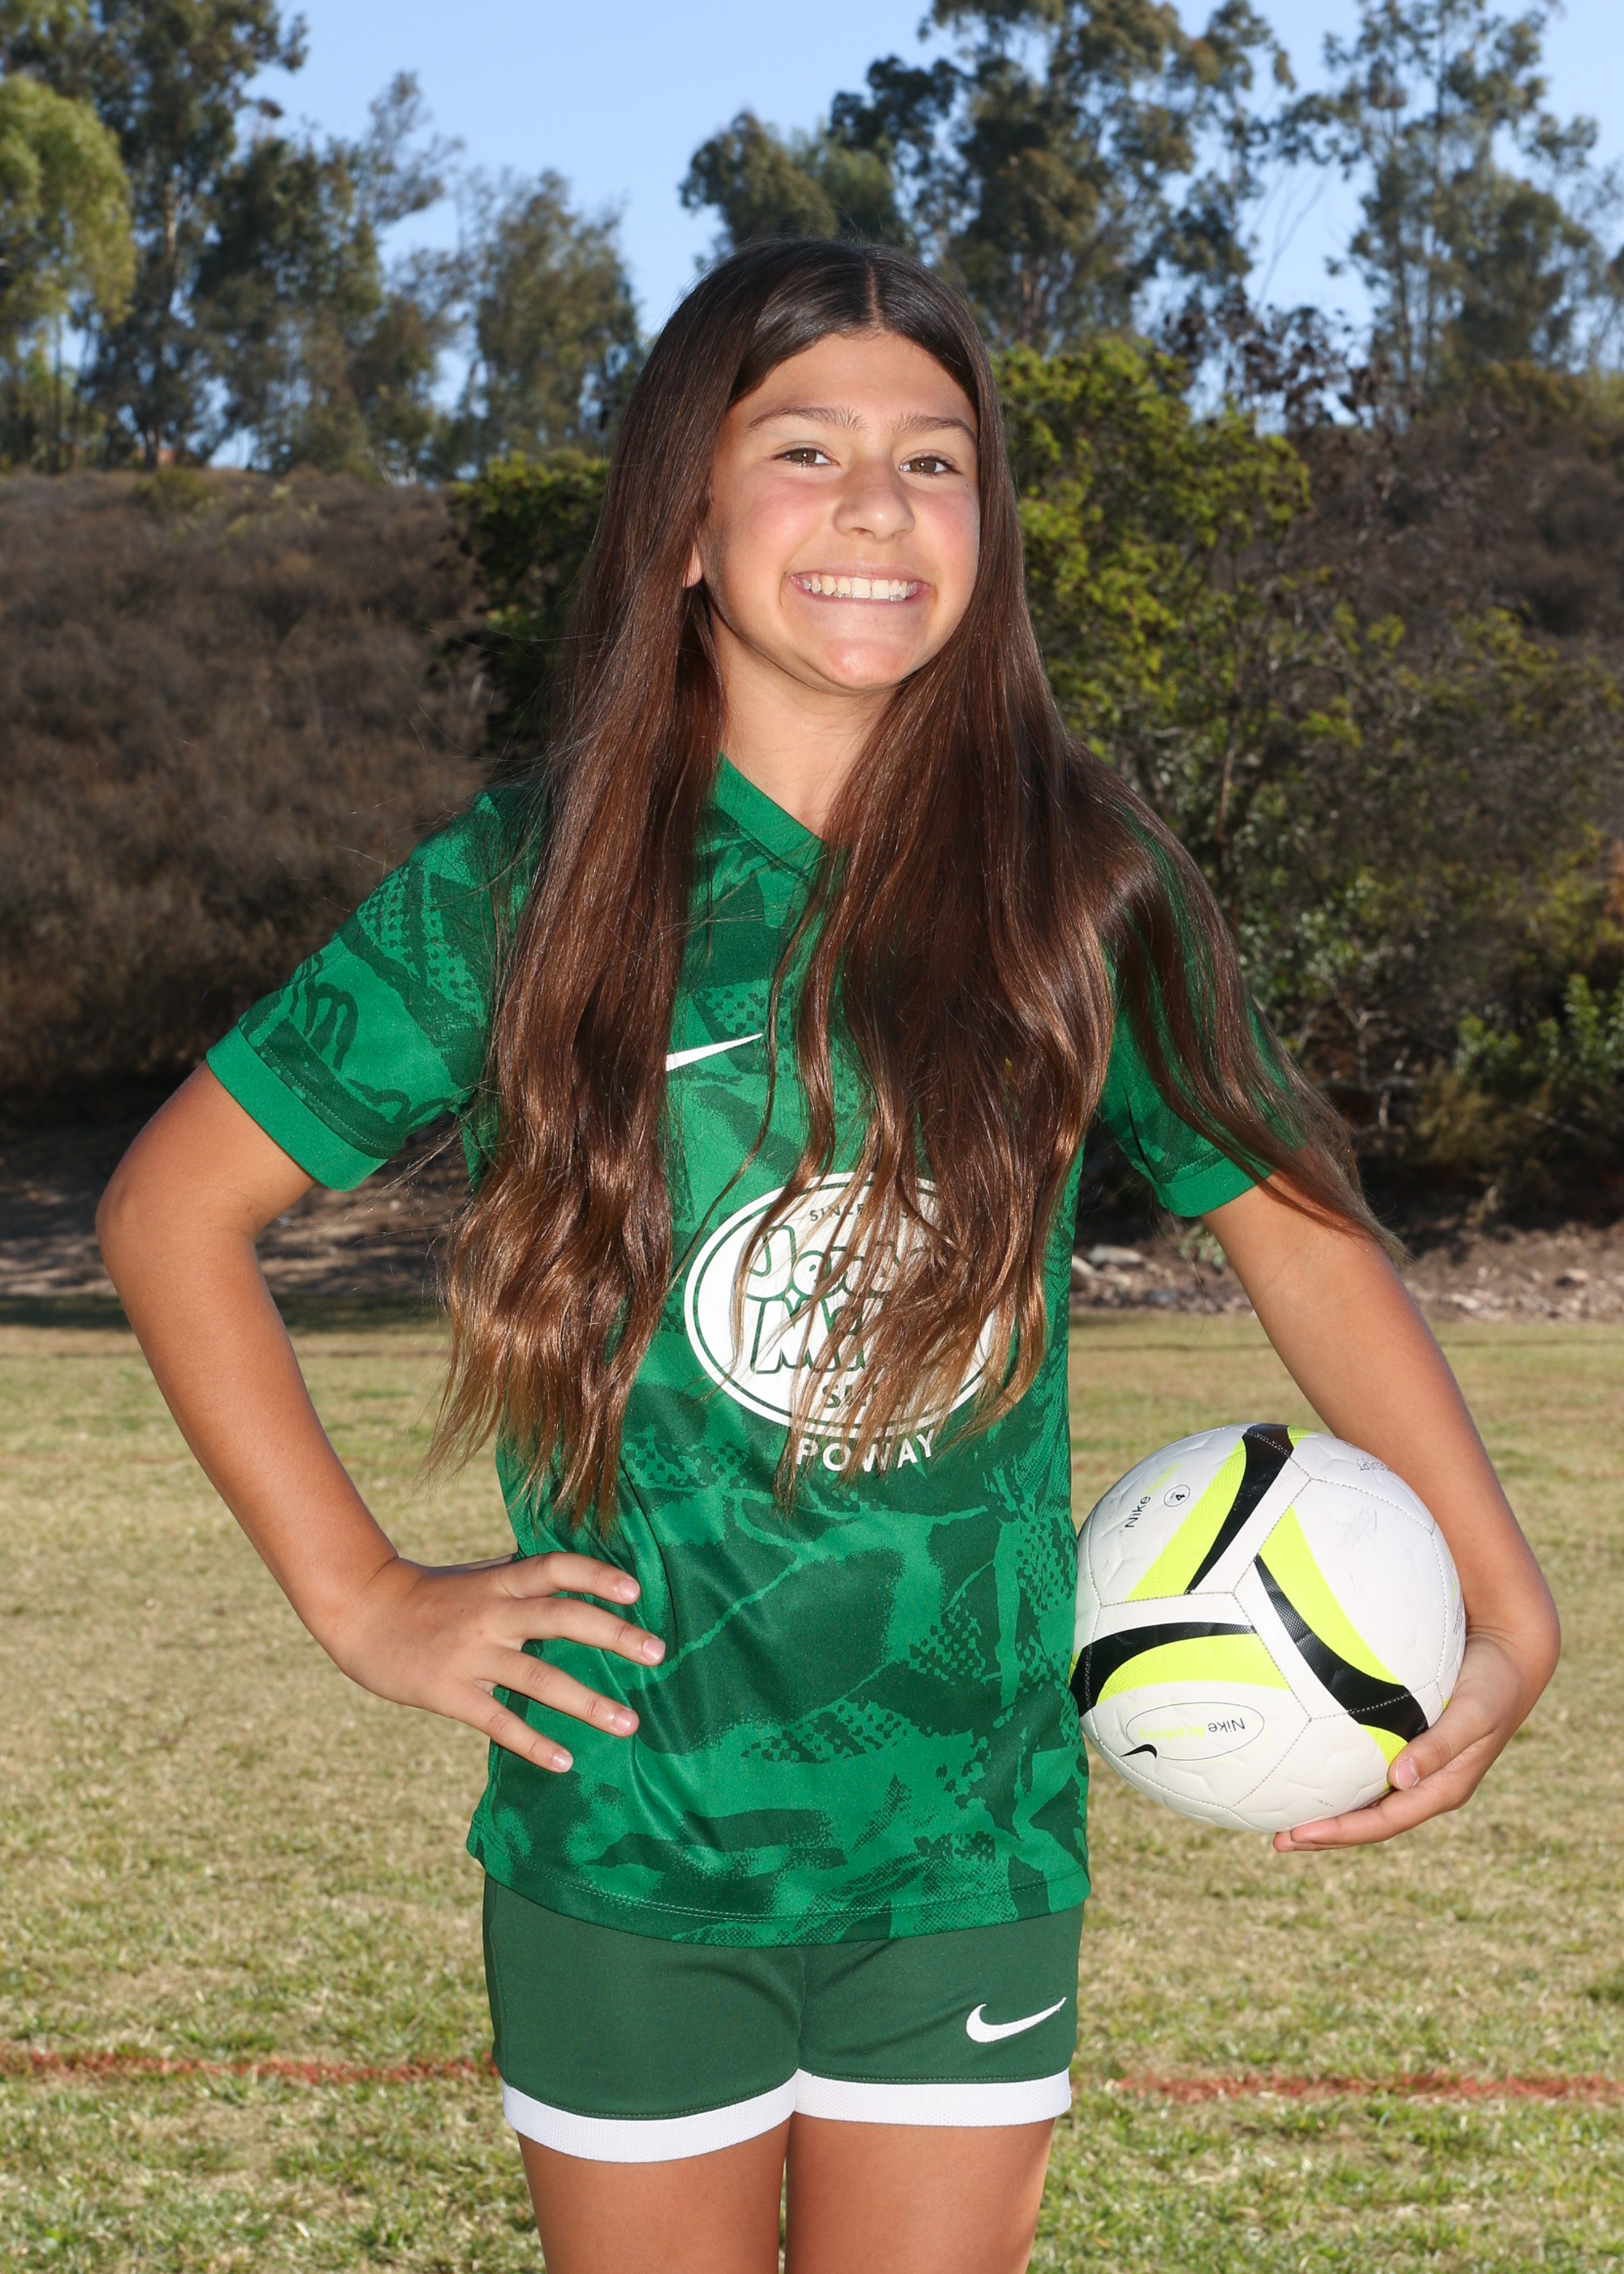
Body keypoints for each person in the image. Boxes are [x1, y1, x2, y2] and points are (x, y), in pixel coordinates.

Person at [97, 240, 1559, 2274]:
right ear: (684, 520)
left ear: (989, 528)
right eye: (805, 448)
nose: (878, 504)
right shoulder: (528, 883)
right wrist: (362, 1598)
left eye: (934, 459)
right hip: (630, 1838)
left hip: (966, 1843)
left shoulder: (1080, 879)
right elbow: (172, 1209)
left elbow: (1298, 1231)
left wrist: (1506, 1597)